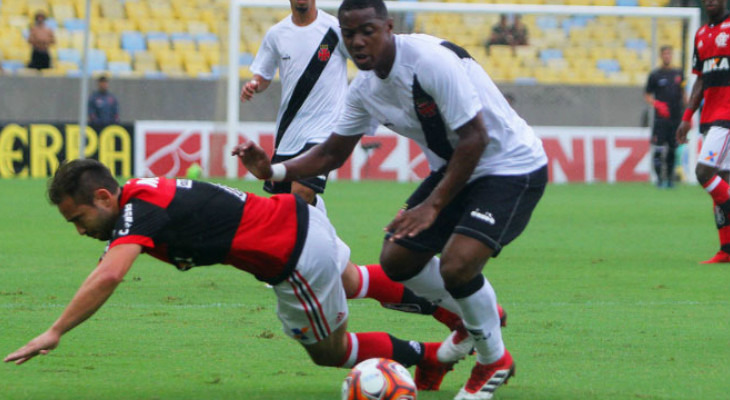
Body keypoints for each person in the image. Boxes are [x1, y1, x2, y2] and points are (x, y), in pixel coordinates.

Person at [232, 0, 548, 399]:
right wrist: (274, 171)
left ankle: (493, 360)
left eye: (368, 31)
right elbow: (331, 152)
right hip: (456, 169)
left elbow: (476, 138)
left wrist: (432, 205)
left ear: (389, 27)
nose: (359, 42)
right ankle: (470, 318)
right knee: (397, 259)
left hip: (509, 166)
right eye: (350, 35)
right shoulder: (364, 89)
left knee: (457, 266)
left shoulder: (430, 61)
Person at [3, 159, 453, 387]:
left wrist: (55, 331)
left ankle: (429, 356)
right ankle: (452, 309)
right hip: (299, 218)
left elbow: (109, 276)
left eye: (78, 218)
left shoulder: (138, 211)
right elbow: (112, 259)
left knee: (329, 353)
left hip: (292, 256)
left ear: (104, 198)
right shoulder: (139, 197)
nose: (79, 230)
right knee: (353, 281)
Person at [240, 0, 489, 346]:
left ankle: (292, 258)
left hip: (325, 132)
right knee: (337, 265)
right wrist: (255, 84)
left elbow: (375, 56)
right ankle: (446, 318)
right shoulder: (277, 34)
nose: (358, 41)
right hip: (288, 134)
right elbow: (264, 74)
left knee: (301, 200)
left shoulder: (338, 31)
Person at [677, 0, 730, 264]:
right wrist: (687, 117)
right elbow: (700, 79)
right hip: (710, 115)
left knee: (703, 172)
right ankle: (727, 249)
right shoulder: (701, 34)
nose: (710, 1)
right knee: (722, 179)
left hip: (727, 115)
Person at [644, 45, 685, 188]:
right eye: (665, 54)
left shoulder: (678, 73)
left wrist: (688, 114)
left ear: (672, 55)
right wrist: (657, 104)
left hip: (675, 118)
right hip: (661, 120)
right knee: (659, 149)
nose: (667, 56)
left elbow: (683, 93)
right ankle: (659, 180)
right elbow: (647, 95)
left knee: (673, 149)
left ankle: (670, 179)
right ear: (661, 56)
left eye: (669, 53)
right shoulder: (655, 75)